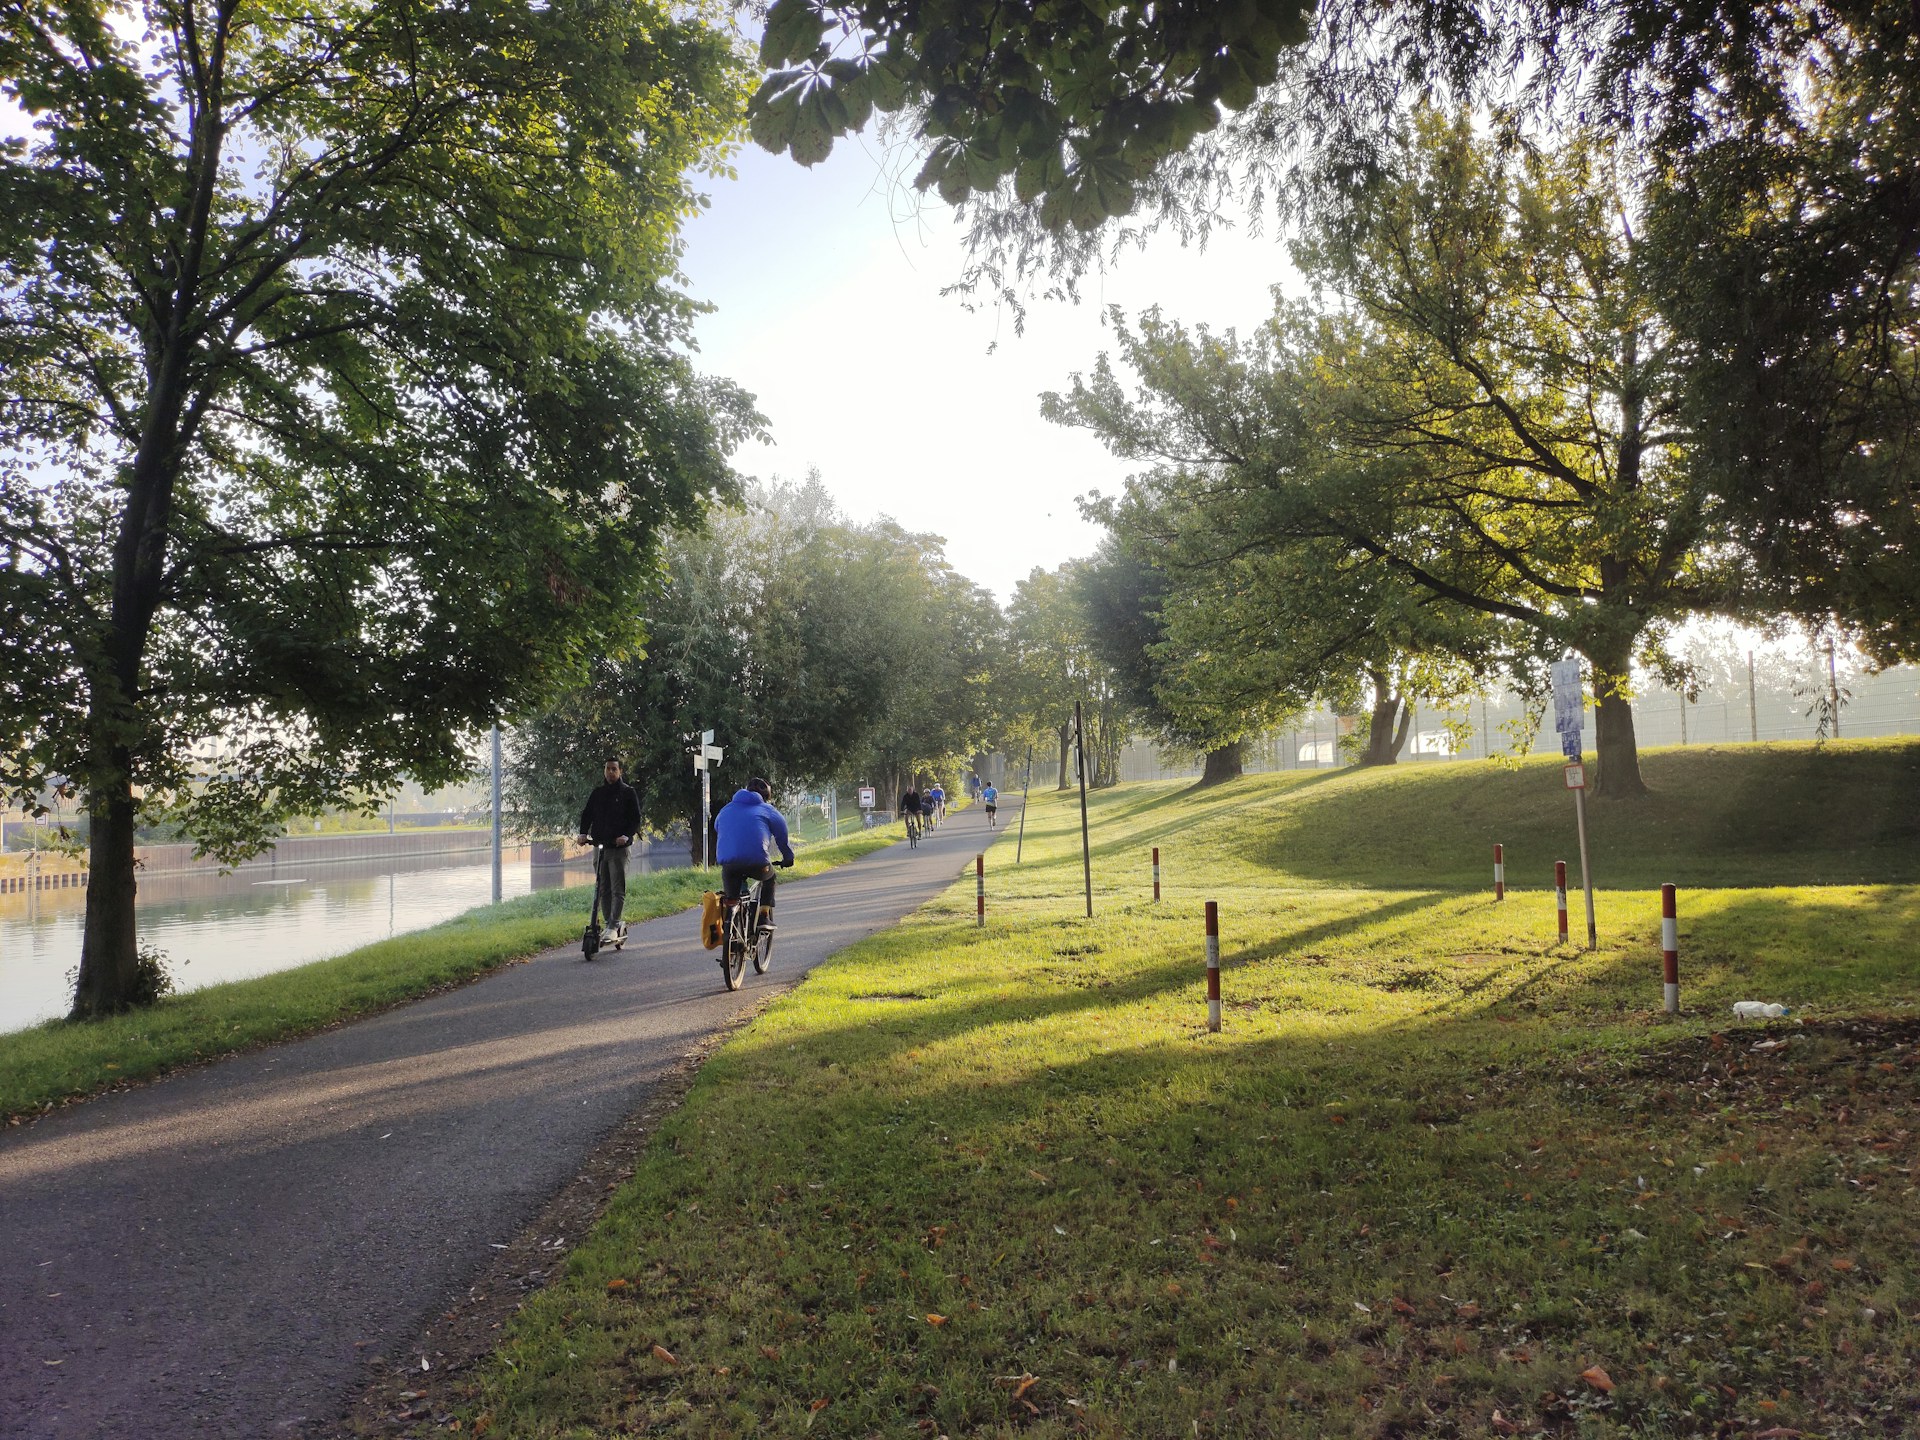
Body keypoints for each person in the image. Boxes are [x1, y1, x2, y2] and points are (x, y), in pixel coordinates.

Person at [714, 776, 794, 928]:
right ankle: (764, 916)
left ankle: (731, 923)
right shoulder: (768, 810)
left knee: (732, 897)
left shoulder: (726, 809)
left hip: (729, 864)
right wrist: (788, 857)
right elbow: (782, 837)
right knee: (770, 878)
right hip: (757, 863)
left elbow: (718, 828)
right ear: (766, 797)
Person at [575, 757, 641, 943]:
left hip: (618, 848)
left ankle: (614, 924)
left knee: (617, 888)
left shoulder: (628, 792)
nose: (610, 772)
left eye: (614, 769)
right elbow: (587, 814)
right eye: (608, 769)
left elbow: (635, 818)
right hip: (600, 846)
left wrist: (626, 836)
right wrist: (582, 834)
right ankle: (607, 924)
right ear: (604, 771)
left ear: (619, 772)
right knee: (602, 887)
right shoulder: (598, 793)